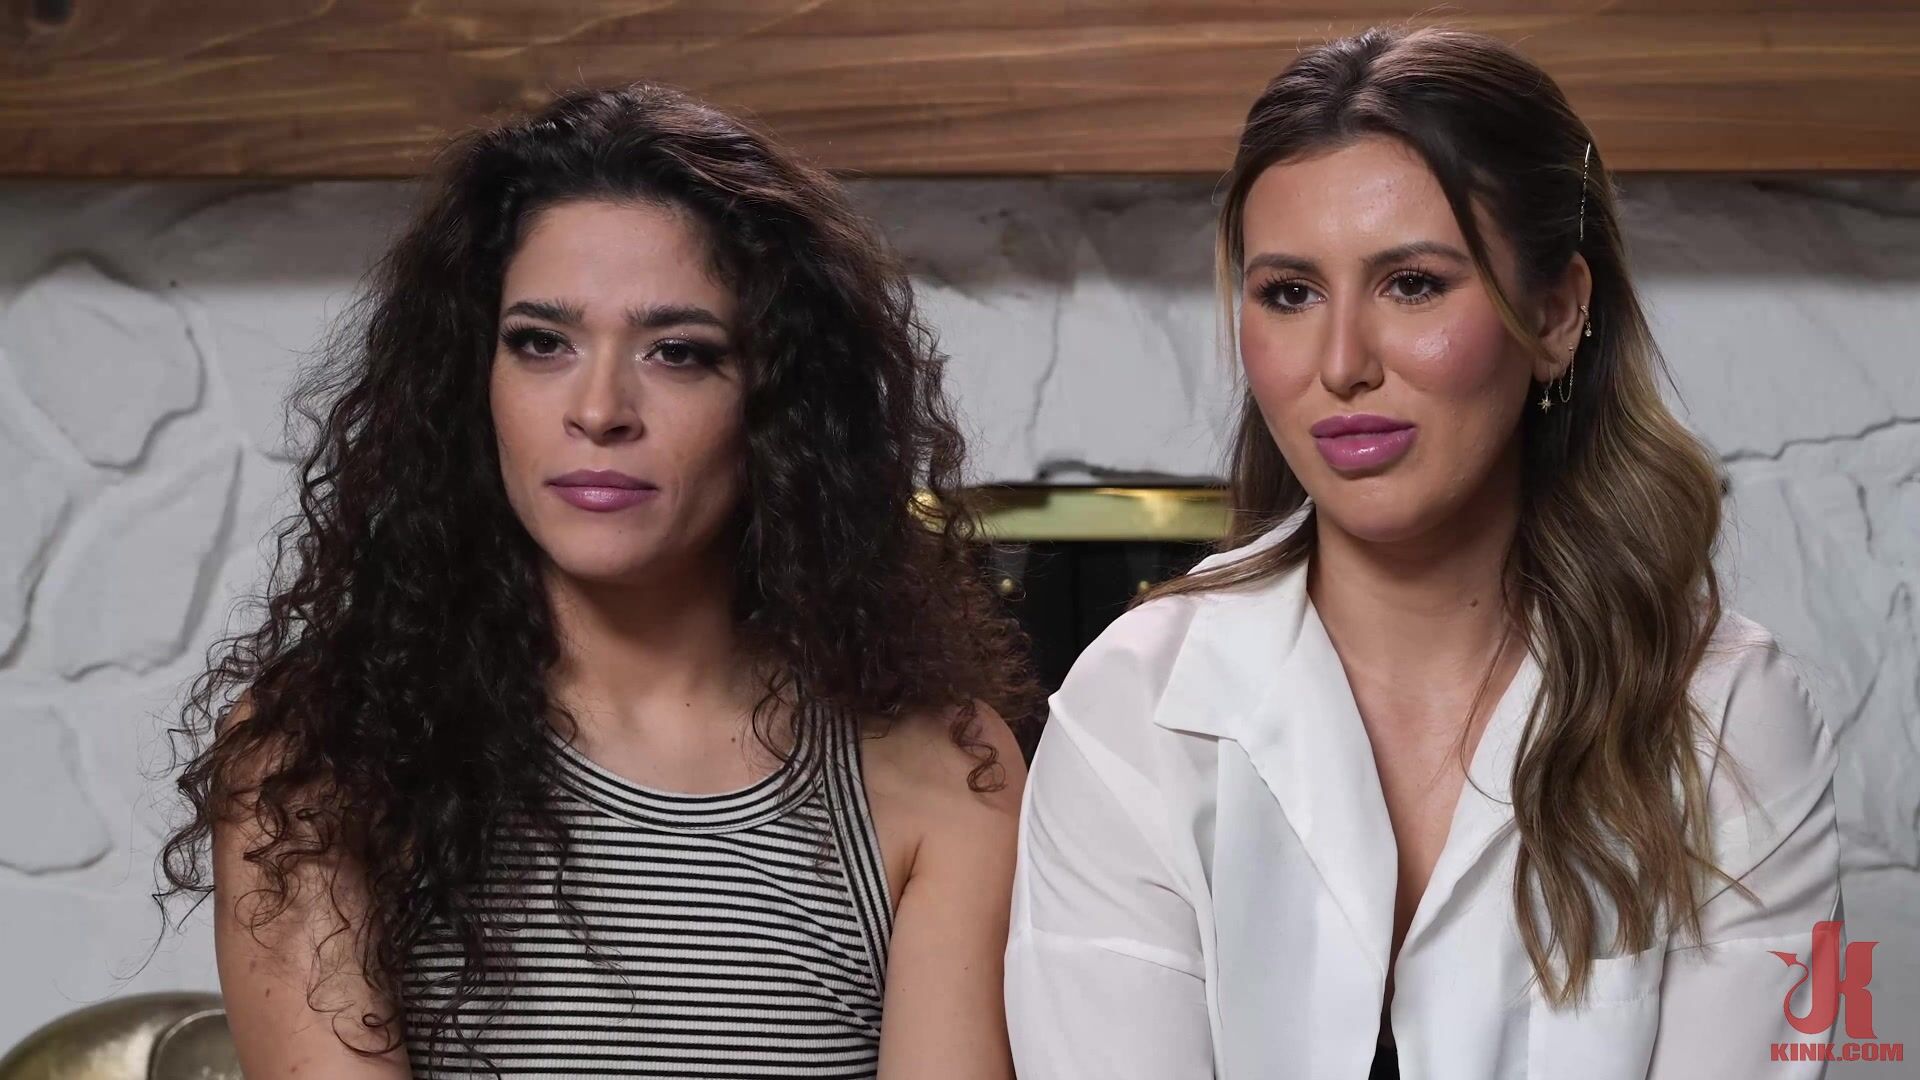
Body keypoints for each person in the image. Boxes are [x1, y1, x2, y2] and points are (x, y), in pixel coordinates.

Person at [1005, 26, 1841, 1080]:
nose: (1342, 363)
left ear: (1556, 314)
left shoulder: (1725, 714)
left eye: (1411, 283)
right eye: (1290, 293)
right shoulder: (1134, 710)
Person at [161, 83, 1033, 1079]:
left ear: (782, 404)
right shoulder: (318, 759)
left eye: (678, 352)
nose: (599, 408)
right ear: (471, 381)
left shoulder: (945, 771)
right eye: (542, 343)